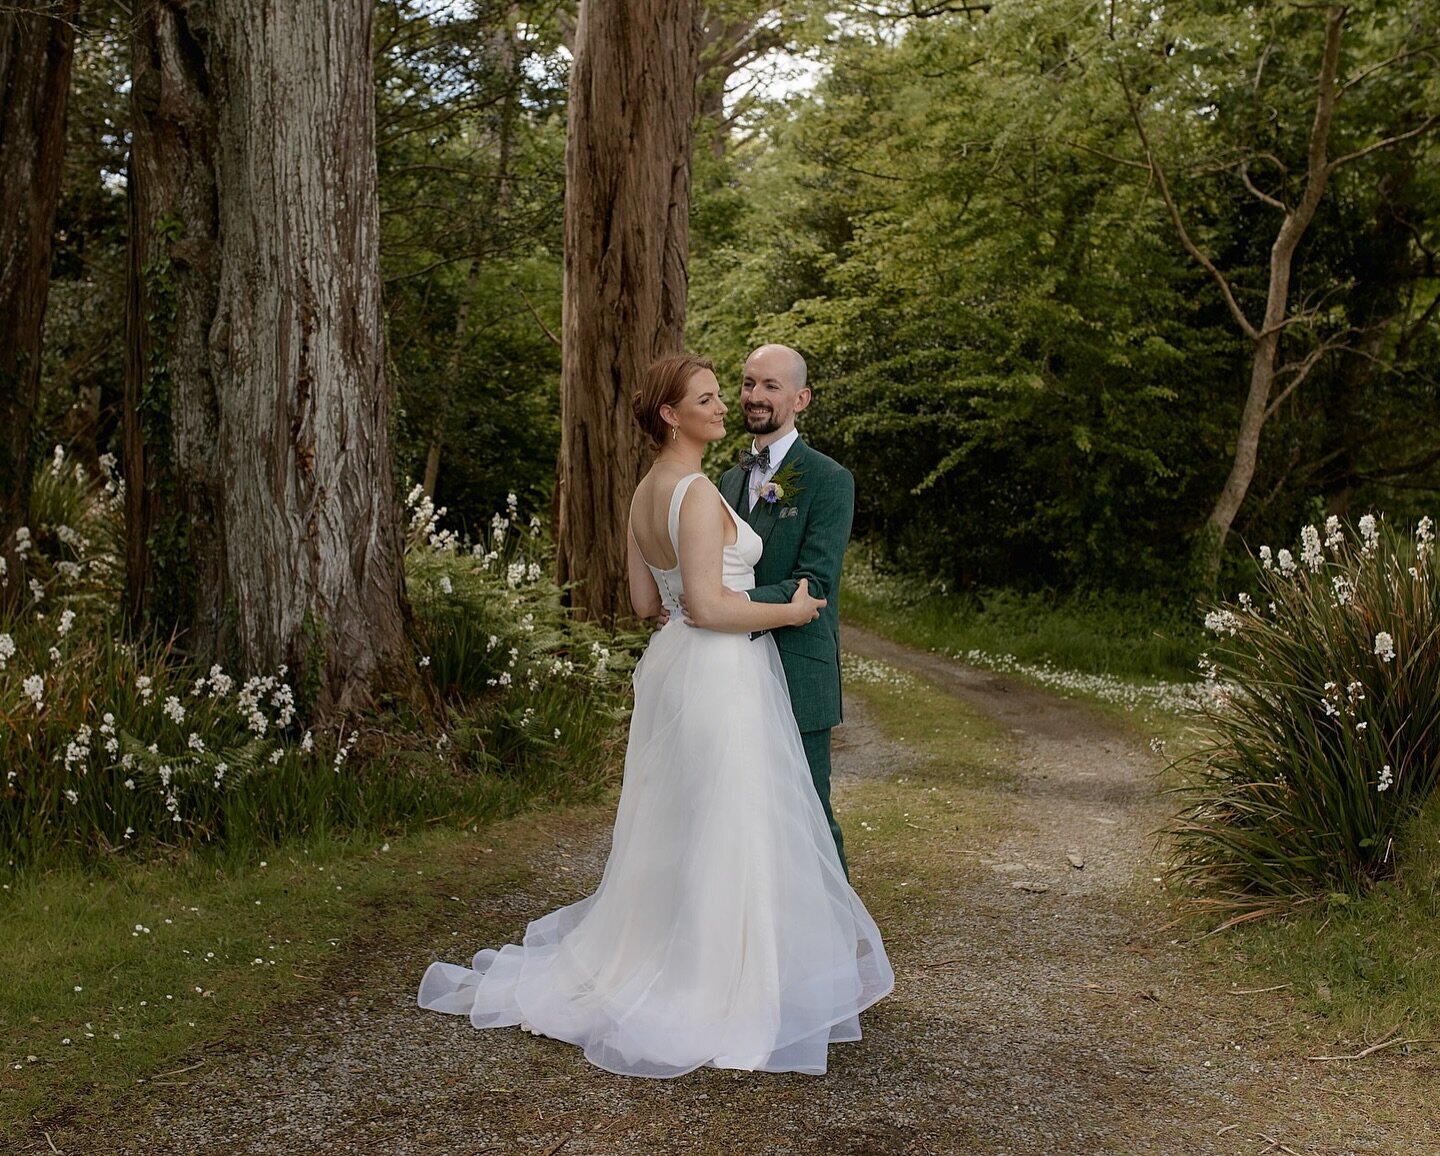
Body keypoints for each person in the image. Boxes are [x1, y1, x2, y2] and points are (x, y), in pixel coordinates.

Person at [417, 353, 893, 1078]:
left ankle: (788, 971)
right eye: (719, 393)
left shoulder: (662, 487)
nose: (735, 403)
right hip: (723, 668)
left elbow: (651, 604)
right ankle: (726, 985)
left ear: (799, 397)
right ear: (672, 413)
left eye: (755, 389)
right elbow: (709, 603)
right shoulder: (709, 487)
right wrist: (781, 606)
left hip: (693, 667)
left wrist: (713, 600)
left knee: (723, 823)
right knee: (729, 826)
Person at [718, 344, 854, 876]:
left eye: (771, 386)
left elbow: (813, 584)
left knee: (809, 811)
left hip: (798, 665)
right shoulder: (730, 480)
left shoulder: (827, 478)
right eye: (750, 383)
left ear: (801, 398)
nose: (755, 396)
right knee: (747, 811)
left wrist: (725, 606)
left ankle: (839, 936)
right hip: (735, 666)